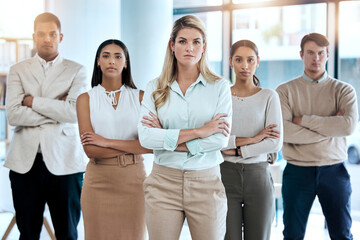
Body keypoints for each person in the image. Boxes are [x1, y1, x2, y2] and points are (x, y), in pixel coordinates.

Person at [138, 15, 232, 240]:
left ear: (204, 47)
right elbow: (146, 138)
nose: (189, 47)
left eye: (196, 41)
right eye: (182, 41)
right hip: (163, 182)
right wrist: (201, 131)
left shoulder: (220, 87)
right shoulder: (155, 87)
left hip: (206, 183)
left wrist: (167, 138)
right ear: (172, 45)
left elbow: (219, 140)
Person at [5, 12, 88, 239]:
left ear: (60, 37)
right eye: (41, 34)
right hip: (25, 165)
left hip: (66, 164)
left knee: (67, 233)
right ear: (34, 37)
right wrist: (55, 110)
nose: (47, 39)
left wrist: (33, 103)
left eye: (52, 34)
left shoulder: (77, 70)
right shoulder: (18, 70)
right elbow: (13, 114)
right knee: (28, 234)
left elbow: (73, 113)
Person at [276, 33, 358, 240]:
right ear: (301, 55)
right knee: (292, 235)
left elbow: (347, 127)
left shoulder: (344, 90)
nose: (316, 58)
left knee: (341, 234)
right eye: (310, 53)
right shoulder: (285, 91)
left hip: (334, 171)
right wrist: (330, 129)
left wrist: (303, 120)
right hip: (297, 171)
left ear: (328, 54)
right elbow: (284, 131)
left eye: (321, 53)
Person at [76, 39, 151, 240]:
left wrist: (106, 141)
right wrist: (134, 146)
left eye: (118, 56)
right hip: (98, 180)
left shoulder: (141, 97)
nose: (112, 61)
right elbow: (91, 150)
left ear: (126, 63)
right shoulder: (86, 99)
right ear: (98, 62)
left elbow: (151, 145)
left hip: (133, 181)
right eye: (106, 56)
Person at [221, 39, 283, 240]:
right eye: (239, 60)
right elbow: (215, 139)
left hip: (258, 176)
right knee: (228, 236)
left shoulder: (268, 96)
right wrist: (254, 138)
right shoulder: (221, 97)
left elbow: (275, 142)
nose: (244, 65)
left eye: (250, 60)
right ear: (231, 62)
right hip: (224, 174)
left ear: (258, 62)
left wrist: (239, 150)